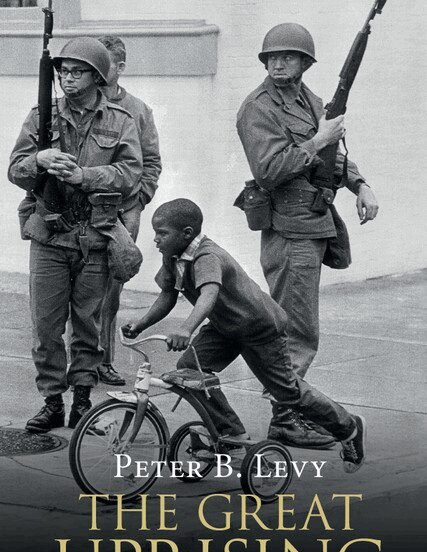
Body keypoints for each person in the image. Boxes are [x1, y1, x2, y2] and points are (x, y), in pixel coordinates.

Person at [123, 198, 367, 468]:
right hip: (225, 327)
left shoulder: (207, 257)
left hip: (258, 328)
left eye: (162, 233)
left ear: (186, 233)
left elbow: (208, 295)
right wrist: (141, 323)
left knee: (287, 391)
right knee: (190, 370)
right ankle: (231, 433)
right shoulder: (173, 256)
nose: (156, 239)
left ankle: (349, 427)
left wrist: (185, 329)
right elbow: (168, 295)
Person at [8, 36, 143, 433]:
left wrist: (86, 176)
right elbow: (15, 169)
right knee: (46, 326)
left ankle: (82, 402)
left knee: (88, 325)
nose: (67, 79)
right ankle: (52, 402)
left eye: (77, 72)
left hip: (95, 235)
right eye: (64, 72)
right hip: (50, 235)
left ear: (97, 76)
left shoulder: (121, 121)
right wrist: (39, 159)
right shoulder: (41, 115)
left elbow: (131, 175)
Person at [236, 23, 379, 378]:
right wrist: (318, 140)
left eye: (288, 57)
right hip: (290, 229)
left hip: (312, 223)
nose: (278, 64)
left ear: (305, 63)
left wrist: (360, 184)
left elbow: (331, 155)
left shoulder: (309, 101)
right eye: (272, 57)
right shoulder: (258, 108)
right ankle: (286, 404)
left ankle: (288, 398)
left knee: (300, 327)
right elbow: (268, 170)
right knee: (297, 332)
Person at [96, 35, 162, 387]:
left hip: (123, 212)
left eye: (103, 63)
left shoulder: (138, 110)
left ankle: (103, 361)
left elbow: (151, 162)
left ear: (120, 68)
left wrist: (138, 201)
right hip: (85, 210)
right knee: (81, 288)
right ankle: (80, 361)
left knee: (111, 290)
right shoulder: (76, 105)